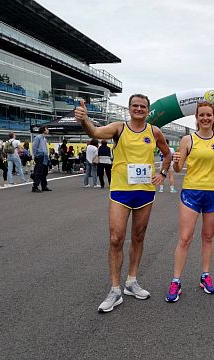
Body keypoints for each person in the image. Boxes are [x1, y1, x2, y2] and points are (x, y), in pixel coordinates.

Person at [75, 94, 171, 313]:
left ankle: (132, 281)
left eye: (143, 106)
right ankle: (114, 289)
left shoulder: (154, 131)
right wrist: (84, 119)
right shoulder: (119, 128)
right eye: (135, 105)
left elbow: (167, 154)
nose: (139, 109)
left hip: (144, 192)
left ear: (148, 110)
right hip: (120, 191)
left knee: (138, 236)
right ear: (129, 109)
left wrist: (163, 173)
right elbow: (95, 132)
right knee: (116, 238)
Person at [165, 102, 214, 303]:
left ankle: (205, 276)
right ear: (196, 117)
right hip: (191, 192)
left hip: (213, 192)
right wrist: (177, 161)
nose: (205, 118)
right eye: (201, 115)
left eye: (208, 115)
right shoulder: (188, 139)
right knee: (185, 238)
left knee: (208, 237)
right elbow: (178, 169)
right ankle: (176, 281)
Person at [31, 126, 51, 193]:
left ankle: (44, 186)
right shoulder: (38, 137)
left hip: (44, 157)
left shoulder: (44, 138)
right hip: (40, 157)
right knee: (39, 172)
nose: (48, 130)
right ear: (44, 130)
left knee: (44, 172)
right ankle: (35, 187)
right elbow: (34, 147)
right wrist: (36, 155)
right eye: (47, 129)